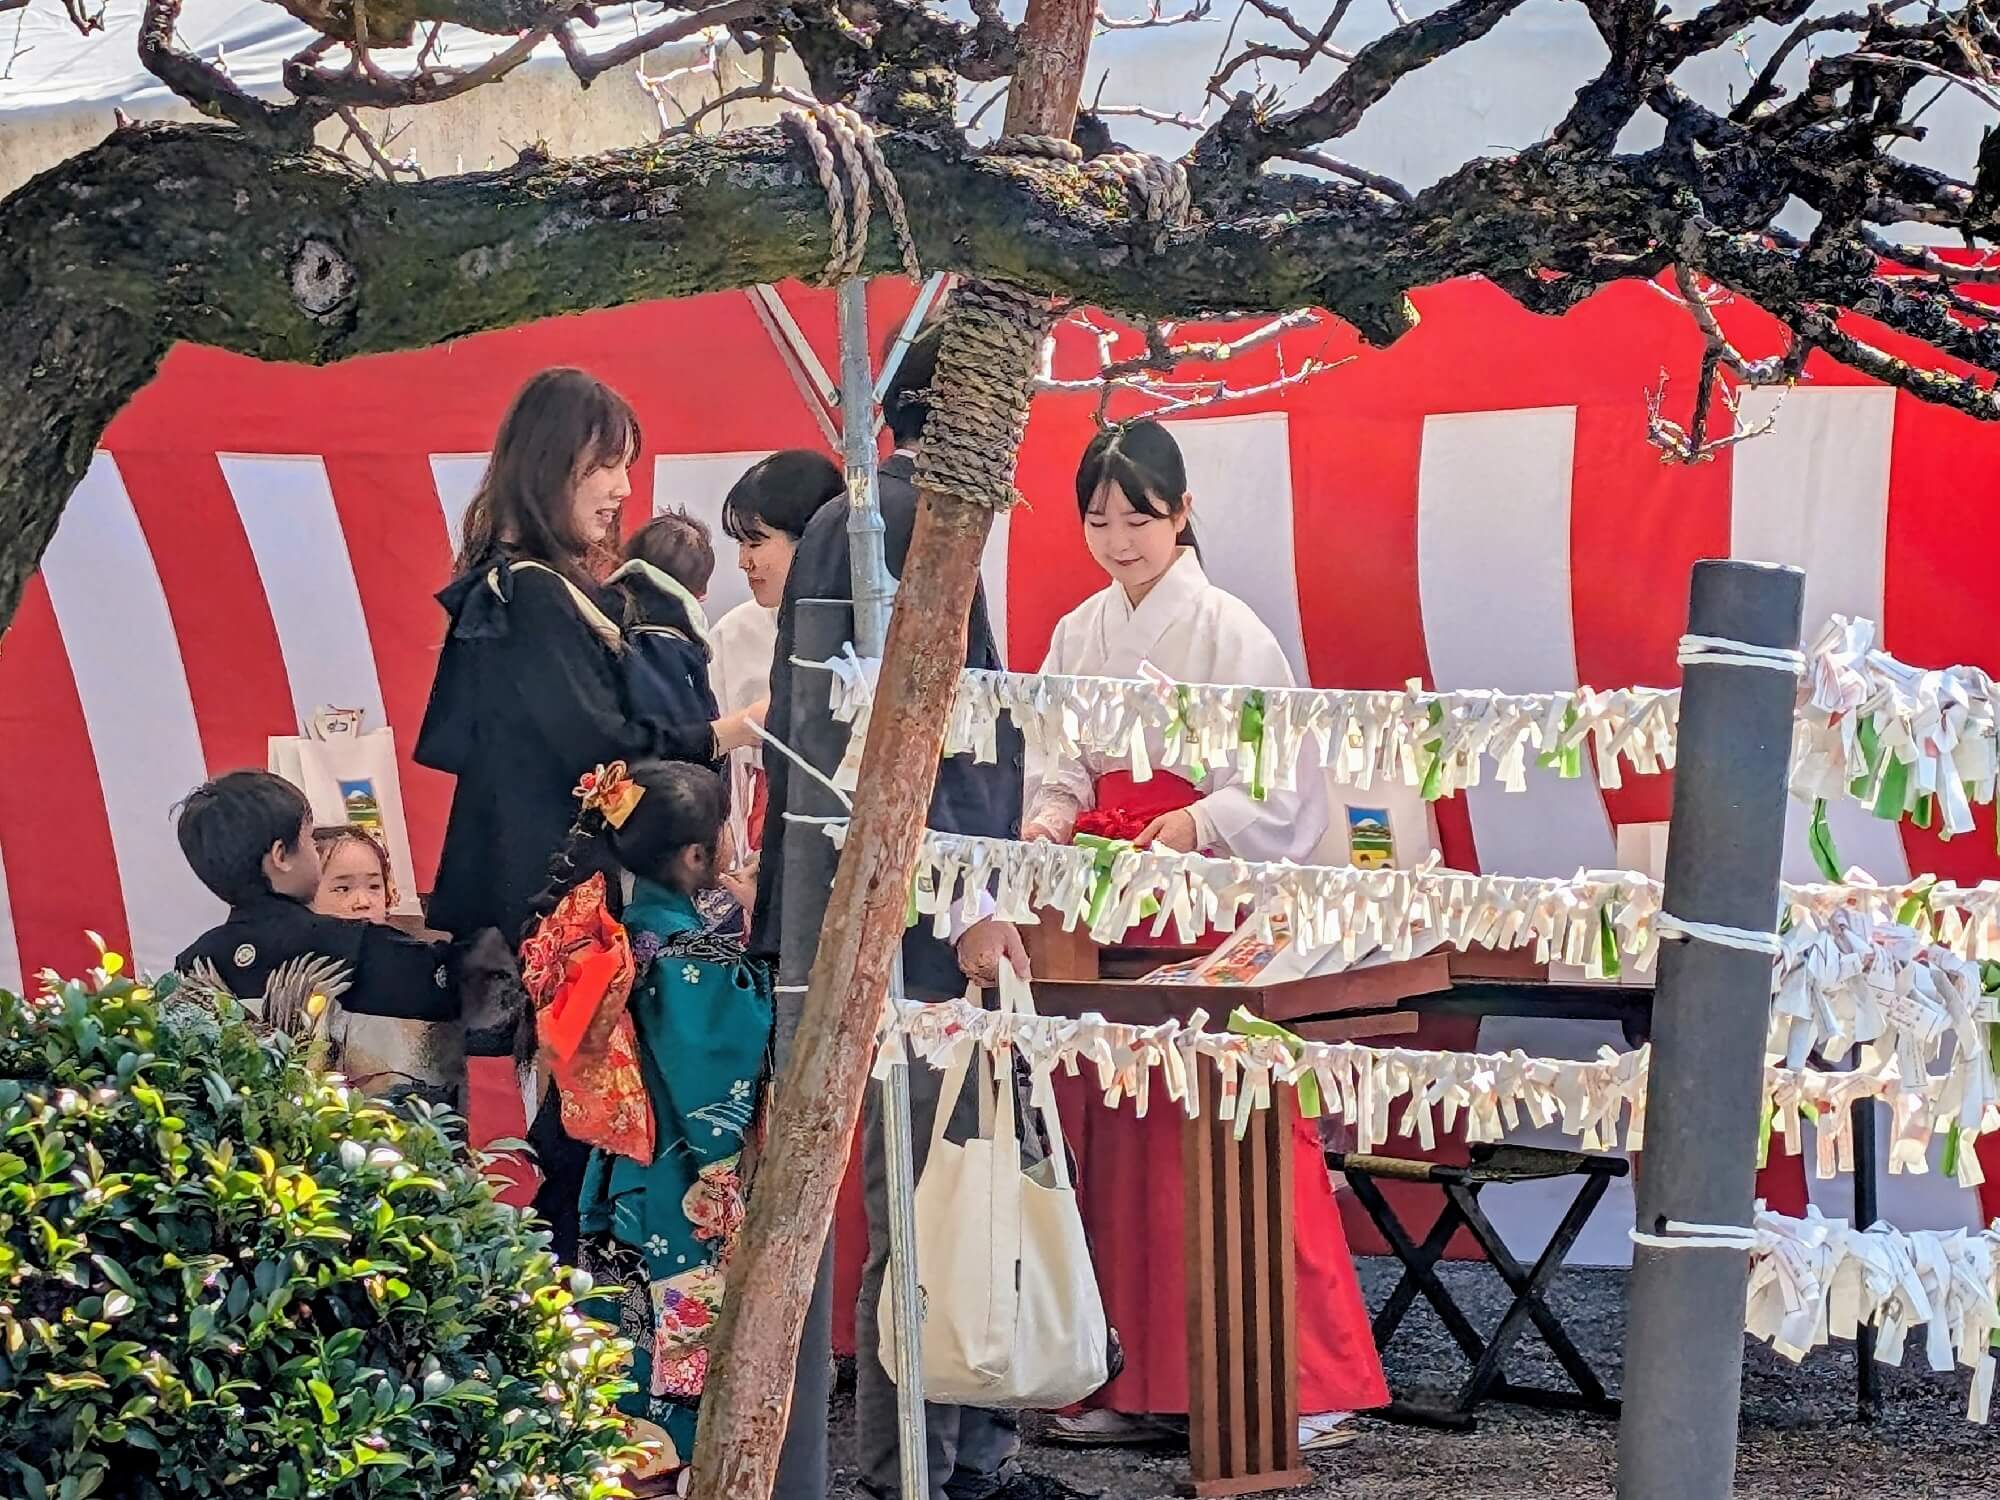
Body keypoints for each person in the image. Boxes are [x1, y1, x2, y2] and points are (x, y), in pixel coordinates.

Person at [1023, 420, 1388, 1449]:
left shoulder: (1233, 631)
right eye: (1097, 520)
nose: (1117, 540)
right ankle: (1123, 1379)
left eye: (1137, 518)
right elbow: (1059, 763)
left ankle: (1290, 1382)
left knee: (1230, 1128)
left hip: (1205, 899)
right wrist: (1052, 814)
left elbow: (1279, 787)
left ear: (1180, 514)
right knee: (1109, 1128)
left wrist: (1192, 822)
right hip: (1106, 902)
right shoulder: (1074, 631)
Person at [755, 323, 1033, 1500]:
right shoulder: (910, 518)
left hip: (872, 895)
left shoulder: (869, 514)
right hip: (912, 910)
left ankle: (950, 1451)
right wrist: (977, 897)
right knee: (928, 1191)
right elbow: (929, 734)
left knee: (941, 1183)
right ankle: (916, 1463)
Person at [416, 367, 701, 1256]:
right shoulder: (533, 590)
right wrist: (715, 733)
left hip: (535, 878)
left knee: (589, 1094)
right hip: (566, 892)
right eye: (603, 467)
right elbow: (597, 749)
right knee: (600, 1096)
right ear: (552, 466)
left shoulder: (514, 583)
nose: (621, 490)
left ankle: (554, 1267)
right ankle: (554, 1269)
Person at [525, 759, 774, 1499]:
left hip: (621, 1163)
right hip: (679, 1168)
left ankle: (624, 1460)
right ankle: (679, 1470)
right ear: (697, 858)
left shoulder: (622, 938)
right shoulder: (690, 957)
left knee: (628, 1313)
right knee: (683, 1322)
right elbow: (721, 1054)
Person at [174, 772, 465, 1028]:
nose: (315, 851)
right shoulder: (361, 946)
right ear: (281, 856)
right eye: (310, 840)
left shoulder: (191, 966)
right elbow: (487, 1010)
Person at [710, 451, 845, 866]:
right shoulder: (734, 633)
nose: (743, 561)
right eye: (740, 544)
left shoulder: (871, 629)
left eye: (756, 542)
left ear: (814, 537)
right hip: (758, 844)